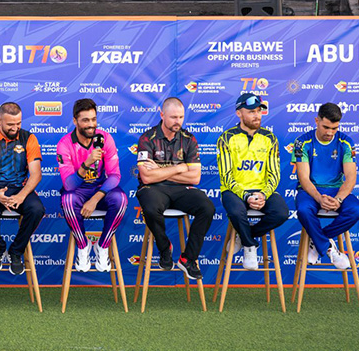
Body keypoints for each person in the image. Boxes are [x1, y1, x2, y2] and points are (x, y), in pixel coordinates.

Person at [136, 97, 214, 280]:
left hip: (181, 189)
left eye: (180, 117)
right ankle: (165, 248)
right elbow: (147, 176)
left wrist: (161, 170)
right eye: (173, 117)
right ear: (162, 115)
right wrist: (180, 168)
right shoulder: (147, 138)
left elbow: (195, 177)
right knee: (150, 208)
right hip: (153, 188)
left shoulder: (189, 139)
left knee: (207, 208)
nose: (177, 121)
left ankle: (188, 258)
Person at [0, 102, 45, 275]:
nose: (15, 128)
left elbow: (36, 174)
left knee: (37, 209)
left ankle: (16, 251)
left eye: (18, 123)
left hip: (20, 188)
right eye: (10, 124)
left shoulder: (29, 138)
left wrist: (21, 195)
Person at [216, 93, 287, 270]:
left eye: (258, 111)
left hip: (262, 190)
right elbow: (226, 176)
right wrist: (246, 195)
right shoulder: (226, 138)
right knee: (236, 211)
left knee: (281, 213)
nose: (256, 115)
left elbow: (274, 174)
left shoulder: (270, 138)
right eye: (251, 111)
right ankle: (250, 246)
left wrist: (263, 194)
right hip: (234, 191)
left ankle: (245, 236)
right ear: (239, 113)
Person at [57, 99, 127, 273]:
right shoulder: (64, 144)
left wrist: (96, 199)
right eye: (85, 120)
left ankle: (103, 246)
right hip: (78, 191)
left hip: (99, 190)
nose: (91, 125)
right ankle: (83, 246)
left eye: (93, 119)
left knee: (121, 199)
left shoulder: (105, 138)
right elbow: (69, 184)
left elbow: (115, 175)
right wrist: (87, 163)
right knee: (67, 200)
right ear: (75, 121)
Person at [292, 102, 359, 269]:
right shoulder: (302, 142)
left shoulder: (346, 142)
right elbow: (303, 178)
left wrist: (338, 199)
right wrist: (319, 198)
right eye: (326, 127)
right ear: (316, 120)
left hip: (336, 191)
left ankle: (318, 241)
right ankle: (329, 248)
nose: (330, 133)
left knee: (356, 210)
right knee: (303, 210)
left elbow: (351, 177)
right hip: (310, 191)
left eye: (334, 128)